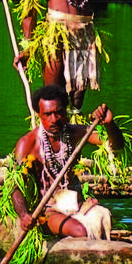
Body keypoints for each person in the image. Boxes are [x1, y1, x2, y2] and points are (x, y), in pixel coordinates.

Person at [9, 84, 124, 239]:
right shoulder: (28, 143)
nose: (54, 119)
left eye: (59, 112)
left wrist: (110, 124)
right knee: (79, 231)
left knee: (104, 215)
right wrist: (24, 215)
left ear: (65, 111)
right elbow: (15, 185)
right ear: (38, 114)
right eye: (48, 114)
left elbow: (115, 145)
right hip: (47, 208)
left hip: (76, 203)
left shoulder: (76, 133)